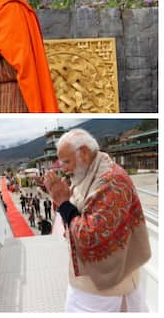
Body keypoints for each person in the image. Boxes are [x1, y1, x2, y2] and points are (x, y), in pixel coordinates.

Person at [43, 128, 151, 312]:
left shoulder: (111, 181)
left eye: (67, 161)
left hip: (105, 289)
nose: (64, 168)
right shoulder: (89, 173)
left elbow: (90, 237)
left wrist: (63, 202)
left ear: (84, 152)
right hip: (98, 283)